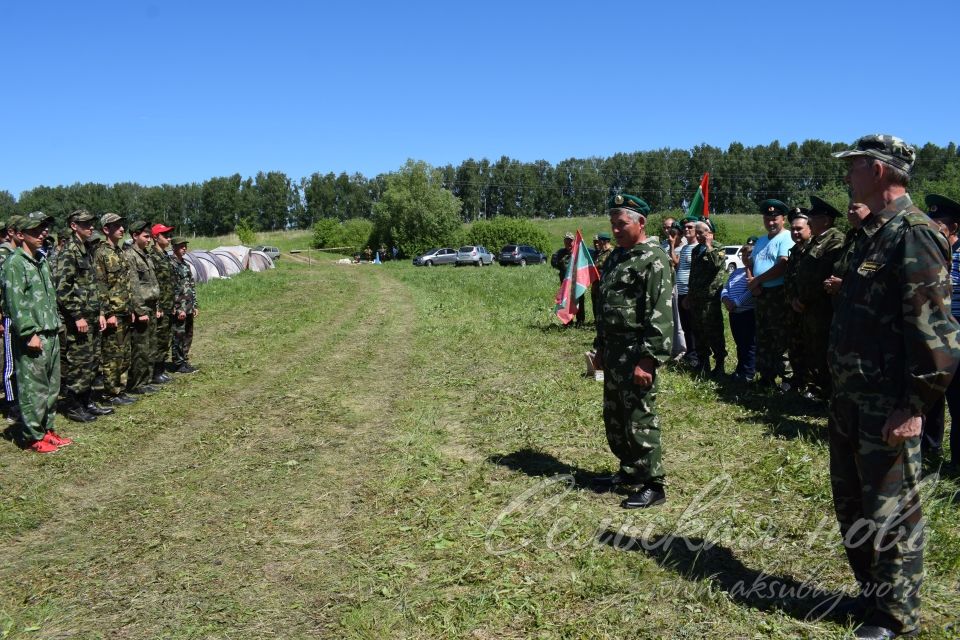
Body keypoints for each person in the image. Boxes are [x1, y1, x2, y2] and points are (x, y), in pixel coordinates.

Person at [829, 134, 960, 639]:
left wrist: (914, 405)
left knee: (893, 515)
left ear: (879, 170)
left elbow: (936, 333)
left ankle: (895, 615)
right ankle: (871, 593)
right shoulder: (873, 233)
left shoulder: (914, 234)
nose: (848, 175)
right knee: (854, 506)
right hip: (851, 401)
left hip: (888, 404)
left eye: (854, 166)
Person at [593, 194, 673, 509]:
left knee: (640, 416)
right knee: (615, 415)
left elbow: (660, 312)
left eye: (621, 224)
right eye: (612, 224)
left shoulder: (653, 258)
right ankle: (629, 470)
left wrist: (648, 359)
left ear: (640, 223)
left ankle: (654, 483)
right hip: (613, 351)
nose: (615, 230)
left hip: (636, 352)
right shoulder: (616, 258)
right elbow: (604, 306)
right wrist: (599, 347)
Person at [1, 212, 71, 453]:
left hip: (50, 331)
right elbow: (15, 302)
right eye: (36, 230)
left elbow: (49, 299)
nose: (43, 233)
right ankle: (32, 436)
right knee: (33, 388)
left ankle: (47, 429)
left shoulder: (40, 260)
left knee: (52, 386)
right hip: (32, 335)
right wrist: (29, 332)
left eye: (44, 229)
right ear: (20, 235)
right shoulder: (15, 263)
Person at [54, 210, 112, 422]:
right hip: (78, 320)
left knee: (92, 361)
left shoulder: (86, 249)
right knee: (79, 363)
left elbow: (92, 286)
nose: (90, 227)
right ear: (73, 225)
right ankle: (74, 406)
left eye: (91, 223)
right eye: (85, 224)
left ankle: (87, 402)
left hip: (92, 316)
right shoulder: (69, 251)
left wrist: (100, 313)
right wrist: (77, 316)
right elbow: (62, 288)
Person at [920, 194, 960, 469]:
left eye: (939, 223)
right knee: (930, 395)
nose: (932, 228)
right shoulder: (930, 252)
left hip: (957, 331)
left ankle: (957, 462)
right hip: (932, 332)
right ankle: (929, 449)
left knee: (957, 399)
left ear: (954, 228)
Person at [792, 196, 845, 399]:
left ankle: (828, 394)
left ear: (826, 220)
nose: (809, 221)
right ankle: (818, 390)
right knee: (813, 350)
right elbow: (801, 274)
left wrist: (804, 299)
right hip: (808, 308)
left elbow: (822, 276)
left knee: (824, 351)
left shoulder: (835, 240)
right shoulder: (815, 242)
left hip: (822, 308)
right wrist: (797, 297)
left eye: (813, 217)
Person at [747, 199, 795, 390]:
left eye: (775, 218)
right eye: (767, 218)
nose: (771, 222)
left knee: (780, 337)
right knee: (763, 335)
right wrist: (752, 283)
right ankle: (766, 375)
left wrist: (758, 281)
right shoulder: (761, 240)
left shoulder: (787, 237)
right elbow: (749, 263)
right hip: (761, 293)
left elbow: (783, 265)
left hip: (778, 293)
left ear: (783, 219)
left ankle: (787, 379)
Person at [94, 213, 137, 406]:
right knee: (112, 355)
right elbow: (100, 285)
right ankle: (111, 392)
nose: (121, 229)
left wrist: (131, 309)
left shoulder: (120, 252)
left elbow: (126, 284)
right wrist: (107, 313)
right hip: (113, 313)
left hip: (125, 311)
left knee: (124, 353)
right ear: (106, 230)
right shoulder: (101, 253)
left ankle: (121, 388)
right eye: (116, 226)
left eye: (122, 225)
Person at [684, 219, 726, 376]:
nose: (698, 235)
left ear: (710, 233)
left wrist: (709, 246)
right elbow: (692, 275)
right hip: (695, 298)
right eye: (697, 232)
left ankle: (720, 364)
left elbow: (716, 264)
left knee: (714, 332)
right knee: (698, 331)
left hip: (710, 299)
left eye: (701, 232)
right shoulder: (696, 250)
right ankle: (703, 363)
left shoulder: (718, 247)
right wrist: (688, 295)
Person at [124, 221, 161, 394]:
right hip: (142, 307)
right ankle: (137, 383)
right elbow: (134, 285)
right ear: (134, 236)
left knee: (151, 345)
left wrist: (158, 305)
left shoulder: (145, 255)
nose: (149, 240)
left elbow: (152, 282)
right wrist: (139, 310)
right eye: (146, 236)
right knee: (140, 348)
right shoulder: (130, 255)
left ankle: (147, 379)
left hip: (152, 306)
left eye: (150, 236)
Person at [784, 209, 812, 391]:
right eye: (793, 229)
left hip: (810, 309)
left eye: (799, 229)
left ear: (810, 228)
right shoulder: (794, 251)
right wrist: (792, 299)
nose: (795, 233)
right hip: (793, 307)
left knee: (811, 347)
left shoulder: (815, 250)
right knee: (794, 346)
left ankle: (812, 385)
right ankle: (798, 380)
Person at [721, 243, 756, 380]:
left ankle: (748, 373)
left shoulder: (754, 272)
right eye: (743, 254)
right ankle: (740, 369)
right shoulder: (736, 271)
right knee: (739, 343)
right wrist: (725, 299)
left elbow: (751, 291)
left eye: (748, 254)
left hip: (746, 312)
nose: (745, 257)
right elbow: (726, 287)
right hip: (733, 313)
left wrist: (736, 303)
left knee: (749, 344)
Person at [0, 217, 22, 420]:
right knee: (10, 365)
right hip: (8, 315)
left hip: (21, 315)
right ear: (13, 232)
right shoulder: (3, 254)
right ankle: (11, 405)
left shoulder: (20, 255)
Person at [150, 223, 176, 384]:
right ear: (155, 237)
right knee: (158, 339)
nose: (168, 238)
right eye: (165, 235)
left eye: (169, 235)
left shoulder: (165, 255)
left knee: (165, 337)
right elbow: (153, 284)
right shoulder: (152, 256)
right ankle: (155, 372)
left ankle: (160, 369)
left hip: (168, 304)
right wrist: (157, 306)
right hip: (159, 306)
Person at [170, 237, 199, 373]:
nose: (184, 248)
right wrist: (177, 308)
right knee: (178, 335)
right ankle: (178, 363)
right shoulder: (172, 265)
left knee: (188, 334)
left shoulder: (185, 264)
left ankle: (184, 359)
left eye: (185, 246)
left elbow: (191, 286)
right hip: (180, 308)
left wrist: (195, 305)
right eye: (181, 246)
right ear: (174, 248)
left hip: (188, 306)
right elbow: (172, 289)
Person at [674, 218, 699, 365]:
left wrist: (690, 295)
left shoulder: (697, 248)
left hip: (690, 293)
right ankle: (689, 352)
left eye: (690, 227)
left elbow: (695, 273)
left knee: (693, 325)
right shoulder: (684, 249)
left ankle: (695, 355)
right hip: (681, 291)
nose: (686, 229)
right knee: (685, 325)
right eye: (685, 227)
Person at [551, 232, 585, 327]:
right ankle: (568, 321)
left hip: (577, 282)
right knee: (566, 302)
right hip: (565, 283)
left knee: (579, 300)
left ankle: (580, 321)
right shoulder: (561, 253)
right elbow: (554, 263)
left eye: (570, 241)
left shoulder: (579, 252)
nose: (568, 244)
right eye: (566, 241)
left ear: (574, 241)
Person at [590, 232, 613, 321]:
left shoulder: (612, 252)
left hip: (605, 284)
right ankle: (597, 322)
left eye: (598, 241)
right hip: (596, 284)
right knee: (596, 304)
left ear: (603, 241)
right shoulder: (600, 253)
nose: (597, 243)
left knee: (604, 305)